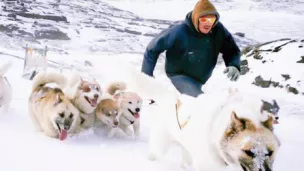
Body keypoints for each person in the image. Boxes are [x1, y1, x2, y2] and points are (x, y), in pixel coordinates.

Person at [141, 0, 241, 97]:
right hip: (179, 74)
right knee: (200, 102)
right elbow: (152, 49)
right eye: (203, 19)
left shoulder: (218, 30)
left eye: (211, 19)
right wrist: (146, 77)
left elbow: (232, 50)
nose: (208, 23)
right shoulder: (179, 31)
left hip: (200, 79)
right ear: (196, 19)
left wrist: (234, 65)